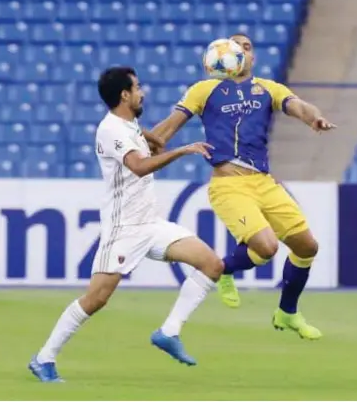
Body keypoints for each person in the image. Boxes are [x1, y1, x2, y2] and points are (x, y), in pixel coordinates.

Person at [28, 67, 223, 382]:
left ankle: (168, 332)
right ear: (124, 94)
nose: (142, 92)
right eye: (138, 87)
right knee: (96, 299)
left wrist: (189, 110)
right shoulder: (111, 130)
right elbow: (140, 166)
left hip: (151, 224)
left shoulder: (130, 126)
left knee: (211, 264)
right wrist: (184, 150)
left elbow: (155, 143)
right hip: (124, 229)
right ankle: (43, 358)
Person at [151, 34, 336, 340]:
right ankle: (223, 269)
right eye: (233, 46)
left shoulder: (268, 89)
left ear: (252, 58)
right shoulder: (204, 90)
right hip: (229, 185)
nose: (238, 51)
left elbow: (298, 105)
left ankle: (287, 312)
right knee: (267, 247)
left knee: (308, 247)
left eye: (245, 47)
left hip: (264, 182)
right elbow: (168, 128)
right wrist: (143, 142)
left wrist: (314, 119)